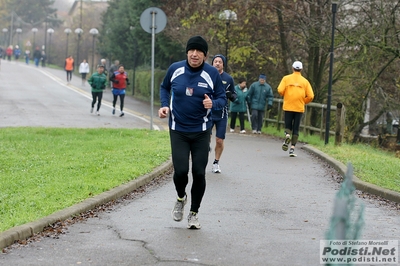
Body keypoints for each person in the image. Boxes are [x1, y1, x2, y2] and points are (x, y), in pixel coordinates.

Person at [158, 35, 226, 229]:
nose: (194, 54)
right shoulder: (175, 69)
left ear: (204, 55)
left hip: (201, 130)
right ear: (187, 52)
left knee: (198, 172)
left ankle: (194, 213)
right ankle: (181, 197)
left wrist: (213, 103)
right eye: (191, 50)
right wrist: (164, 106)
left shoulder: (212, 74)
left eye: (199, 51)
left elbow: (222, 98)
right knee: (180, 171)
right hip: (178, 129)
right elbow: (164, 88)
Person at [277, 61, 314, 157]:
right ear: (301, 69)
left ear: (292, 68)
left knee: (288, 125)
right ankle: (292, 149)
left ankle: (287, 136)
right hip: (299, 107)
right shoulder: (305, 81)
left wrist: (286, 95)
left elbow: (280, 90)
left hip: (288, 105)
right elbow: (311, 96)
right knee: (296, 128)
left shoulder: (286, 78)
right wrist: (303, 101)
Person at [210, 54, 237, 174]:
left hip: (222, 113)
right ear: (212, 63)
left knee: (219, 140)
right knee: (204, 138)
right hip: (208, 112)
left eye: (219, 62)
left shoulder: (228, 78)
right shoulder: (207, 75)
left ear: (223, 64)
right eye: (215, 61)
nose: (217, 63)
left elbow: (234, 96)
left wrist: (230, 95)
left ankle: (216, 162)